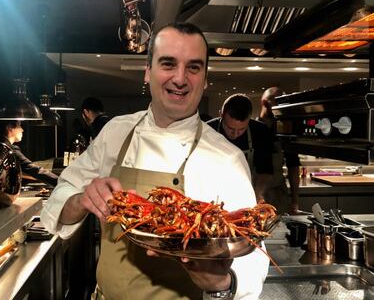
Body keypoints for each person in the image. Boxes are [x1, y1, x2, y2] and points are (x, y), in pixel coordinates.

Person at [41, 22, 269, 300]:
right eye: (168, 63)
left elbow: (253, 254)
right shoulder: (115, 132)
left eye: (194, 67)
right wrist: (80, 200)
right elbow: (58, 198)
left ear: (205, 78)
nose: (180, 78)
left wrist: (222, 282)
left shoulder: (227, 158)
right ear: (147, 72)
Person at [207, 94, 274, 203]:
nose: (235, 134)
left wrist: (258, 194)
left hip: (247, 195)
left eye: (242, 129)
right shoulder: (207, 130)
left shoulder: (260, 131)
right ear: (221, 115)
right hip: (213, 195)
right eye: (230, 128)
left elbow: (265, 170)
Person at [258, 86, 301, 214]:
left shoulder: (285, 132)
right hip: (253, 195)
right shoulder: (252, 130)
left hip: (278, 197)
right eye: (279, 103)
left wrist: (295, 200)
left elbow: (293, 167)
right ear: (265, 103)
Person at [0, 121, 58, 187]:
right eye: (19, 126)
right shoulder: (10, 149)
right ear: (10, 128)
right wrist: (60, 182)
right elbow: (33, 170)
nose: (22, 130)